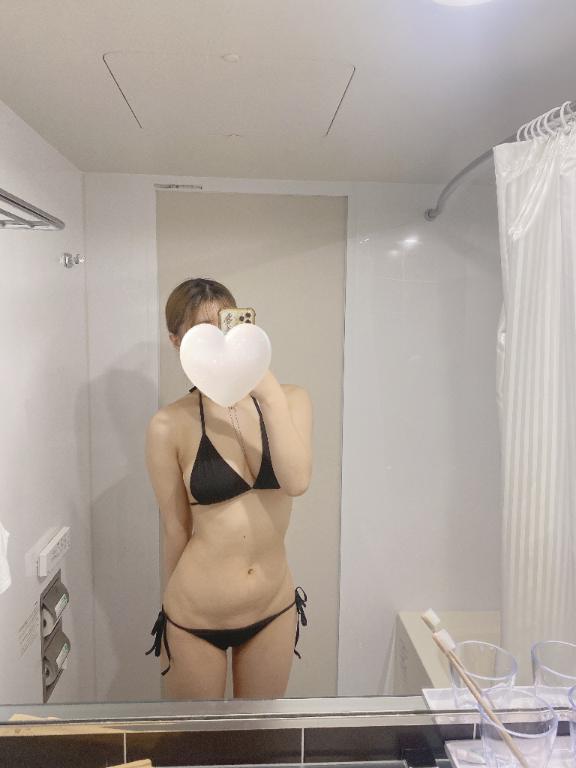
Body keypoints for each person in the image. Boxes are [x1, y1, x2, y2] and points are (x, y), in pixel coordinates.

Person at [145, 277, 313, 699]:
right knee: (197, 740)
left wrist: (266, 392)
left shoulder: (290, 399)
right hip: (196, 618)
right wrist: (170, 609)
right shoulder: (169, 424)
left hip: (273, 608)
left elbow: (296, 482)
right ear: (176, 342)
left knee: (259, 736)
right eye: (201, 333)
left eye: (225, 327)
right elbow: (176, 529)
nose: (218, 343)